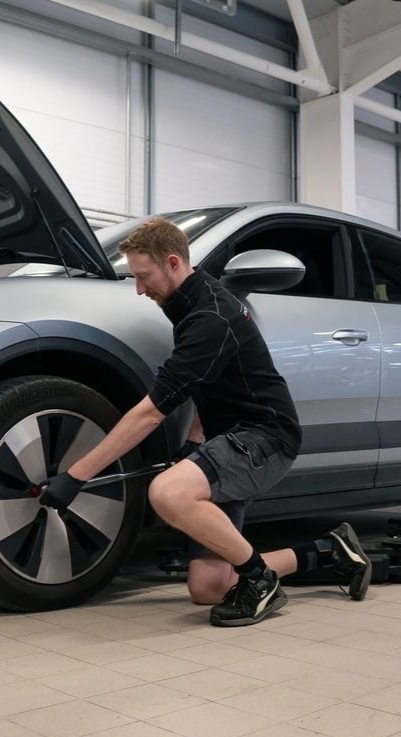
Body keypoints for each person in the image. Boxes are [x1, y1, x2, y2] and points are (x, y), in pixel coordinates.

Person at [39, 217, 371, 627]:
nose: (140, 289)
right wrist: (196, 443)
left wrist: (76, 476)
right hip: (230, 439)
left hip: (263, 439)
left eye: (144, 277)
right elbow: (206, 382)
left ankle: (261, 582)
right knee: (208, 588)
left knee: (167, 493)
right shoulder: (192, 306)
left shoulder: (210, 317)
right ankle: (326, 551)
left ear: (174, 262)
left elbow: (148, 413)